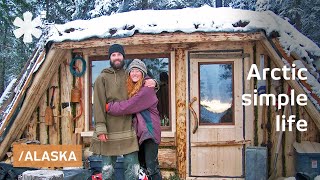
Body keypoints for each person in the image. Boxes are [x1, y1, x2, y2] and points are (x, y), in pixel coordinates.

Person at [90, 44, 156, 180]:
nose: (116, 57)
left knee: (133, 167)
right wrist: (100, 128)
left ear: (123, 57)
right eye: (113, 55)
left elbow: (142, 80)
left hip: (127, 128)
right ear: (109, 58)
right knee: (108, 170)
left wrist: (153, 81)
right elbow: (98, 104)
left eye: (119, 55)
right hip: (108, 129)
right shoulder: (102, 78)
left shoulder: (129, 74)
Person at [106, 59, 162, 180]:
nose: (135, 73)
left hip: (150, 132)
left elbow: (128, 106)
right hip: (140, 133)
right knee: (142, 169)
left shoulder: (147, 90)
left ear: (143, 73)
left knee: (151, 167)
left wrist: (109, 107)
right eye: (132, 71)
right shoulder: (132, 88)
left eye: (138, 71)